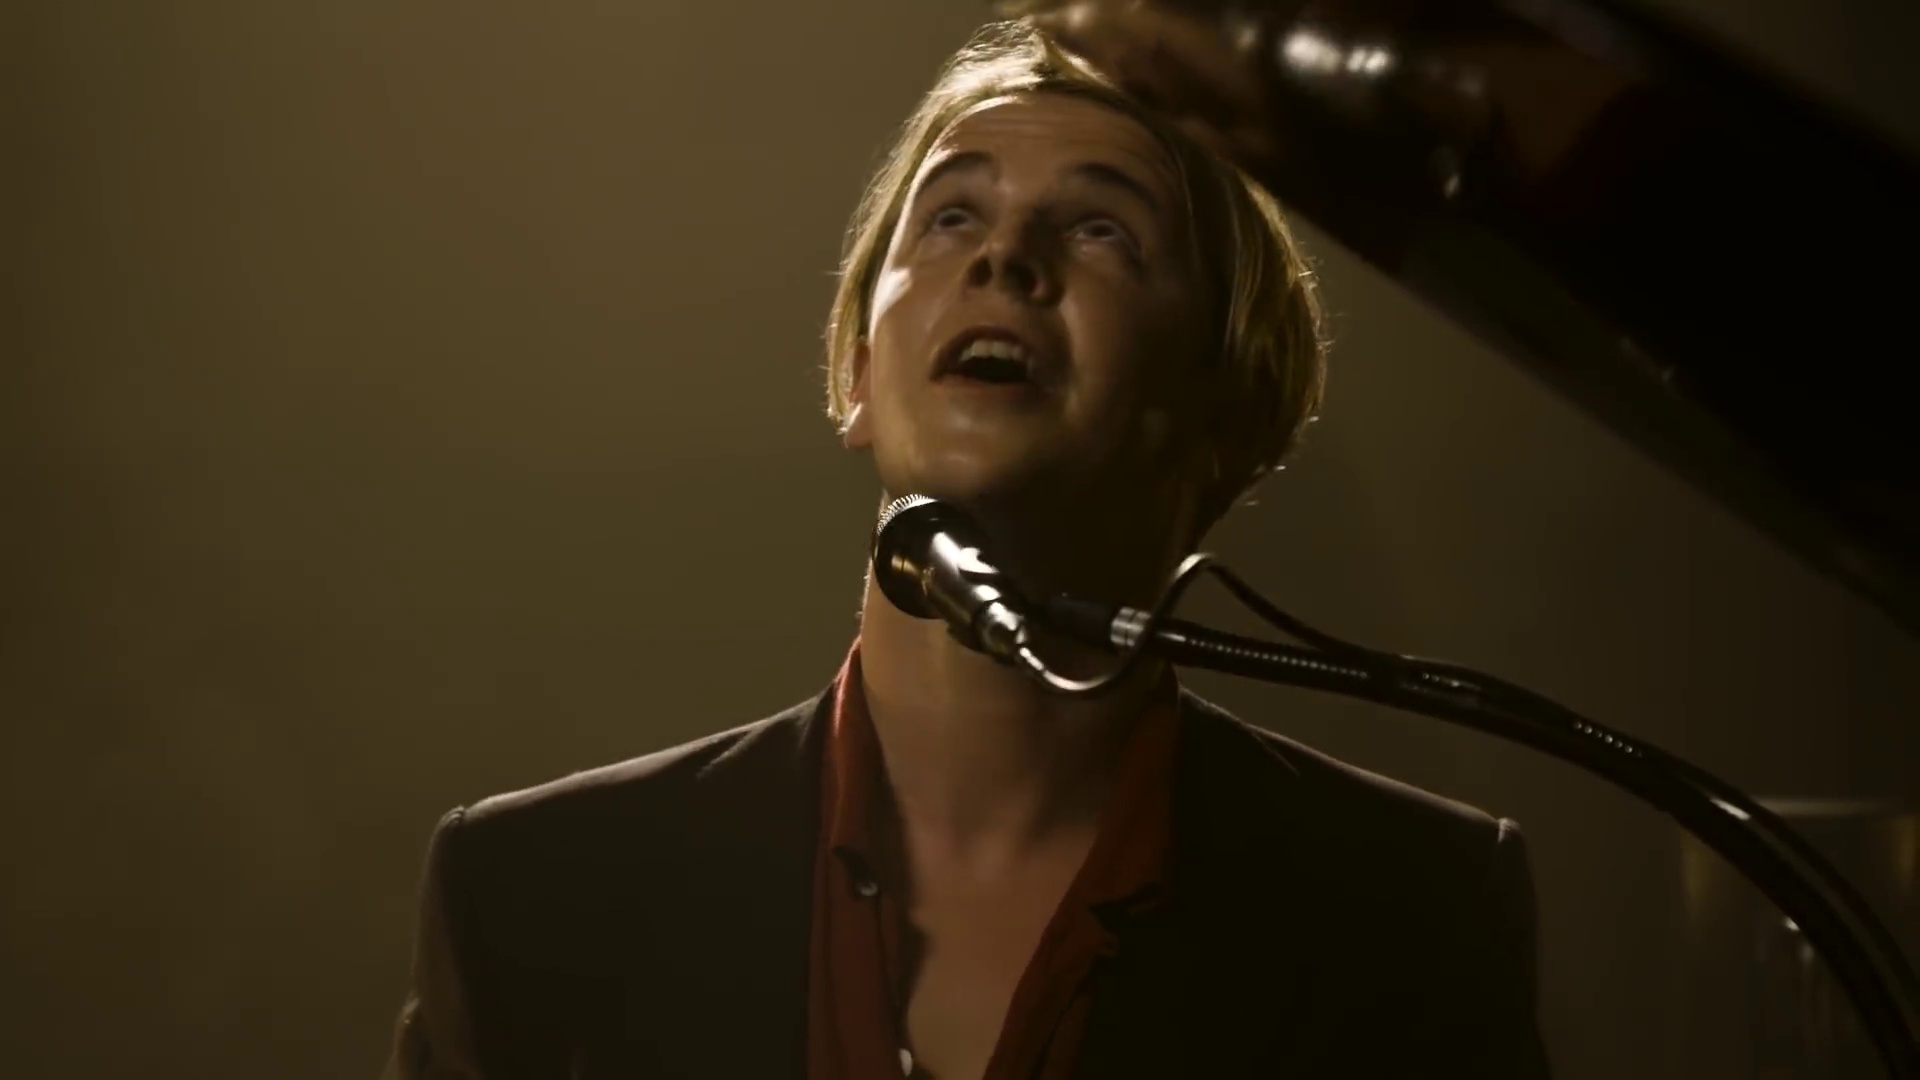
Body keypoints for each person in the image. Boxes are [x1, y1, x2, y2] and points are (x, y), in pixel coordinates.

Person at [382, 14, 1551, 1080]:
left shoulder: (1416, 916)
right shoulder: (533, 894)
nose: (1005, 257)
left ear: (1229, 413)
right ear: (855, 372)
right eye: (951, 215)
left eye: (1101, 228)